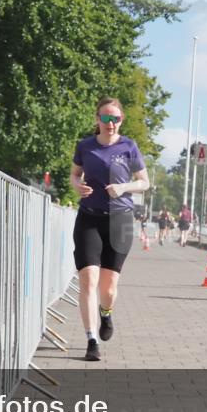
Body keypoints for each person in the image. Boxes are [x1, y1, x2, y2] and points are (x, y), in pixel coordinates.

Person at [70, 97, 150, 362]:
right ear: (97, 119)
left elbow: (144, 182)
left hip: (119, 219)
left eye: (115, 118)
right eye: (105, 118)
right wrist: (77, 186)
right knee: (88, 279)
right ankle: (91, 340)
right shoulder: (85, 146)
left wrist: (123, 188)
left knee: (109, 288)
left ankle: (106, 313)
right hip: (89, 218)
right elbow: (74, 174)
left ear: (121, 120)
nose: (110, 123)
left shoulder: (129, 147)